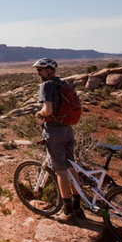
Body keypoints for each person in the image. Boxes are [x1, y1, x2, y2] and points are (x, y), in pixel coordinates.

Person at [33, 58, 84, 221]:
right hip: (67, 129)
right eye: (37, 69)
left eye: (40, 69)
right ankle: (78, 206)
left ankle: (67, 211)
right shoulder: (63, 84)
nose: (38, 72)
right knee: (71, 166)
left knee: (60, 171)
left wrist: (39, 114)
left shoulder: (46, 86)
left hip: (54, 131)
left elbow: (47, 110)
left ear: (49, 70)